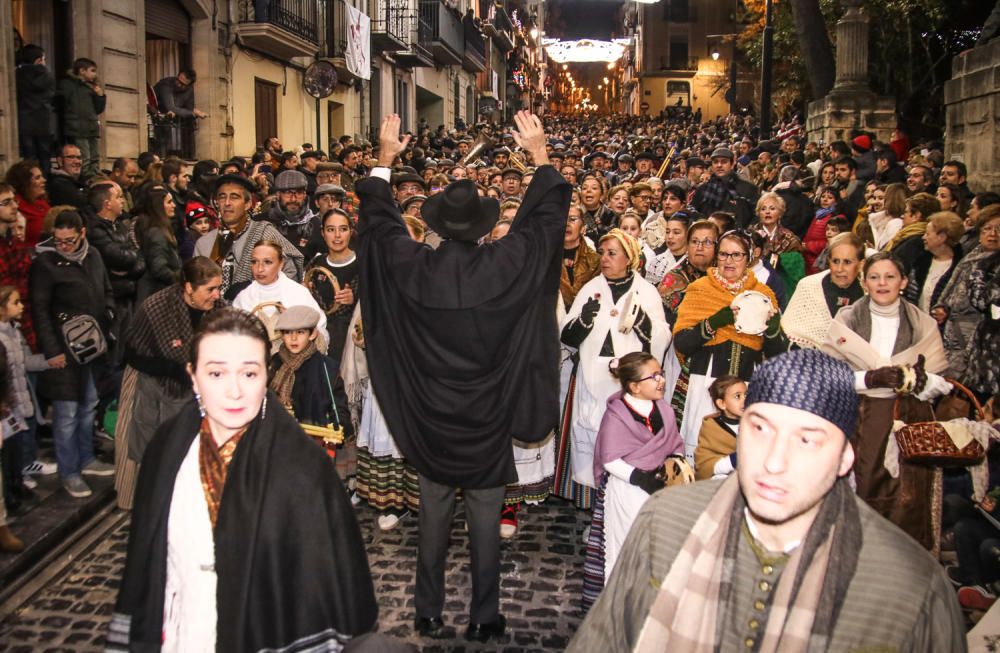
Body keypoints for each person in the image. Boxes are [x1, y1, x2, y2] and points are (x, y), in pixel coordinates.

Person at [568, 349, 966, 652]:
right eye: (760, 428)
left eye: (807, 438)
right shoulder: (666, 521)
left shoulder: (910, 586)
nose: (774, 461)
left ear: (847, 457)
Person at [357, 112, 571, 642]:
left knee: (431, 520)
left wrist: (384, 162)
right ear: (481, 227)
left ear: (434, 224)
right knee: (484, 527)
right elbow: (545, 230)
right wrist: (541, 157)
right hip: (487, 417)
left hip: (430, 419)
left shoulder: (414, 266)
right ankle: (483, 617)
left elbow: (381, 230)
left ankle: (426, 613)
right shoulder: (504, 263)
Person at [108, 308, 377, 651]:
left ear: (267, 374)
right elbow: (147, 569)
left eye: (249, 373)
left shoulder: (305, 471)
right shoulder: (166, 450)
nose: (234, 390)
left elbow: (321, 588)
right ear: (193, 376)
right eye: (216, 373)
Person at [824, 253, 953, 550]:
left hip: (907, 424)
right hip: (859, 420)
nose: (882, 283)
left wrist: (922, 382)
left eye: (890, 277)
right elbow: (829, 376)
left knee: (907, 500)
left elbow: (942, 382)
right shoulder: (846, 321)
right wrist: (869, 380)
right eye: (874, 277)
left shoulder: (923, 325)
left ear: (904, 282)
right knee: (863, 488)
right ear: (864, 282)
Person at [556, 229, 671, 509]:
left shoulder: (646, 292)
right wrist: (583, 321)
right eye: (603, 253)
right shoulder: (591, 288)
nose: (604, 259)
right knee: (588, 433)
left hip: (627, 381)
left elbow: (661, 337)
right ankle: (591, 503)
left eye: (612, 254)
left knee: (621, 441)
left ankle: (618, 501)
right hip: (590, 375)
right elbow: (566, 337)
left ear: (629, 258)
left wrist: (643, 323)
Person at [114, 257, 222, 510]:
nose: (217, 295)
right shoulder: (155, 308)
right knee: (150, 450)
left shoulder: (218, 308)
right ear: (188, 288)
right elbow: (133, 354)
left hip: (198, 391)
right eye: (210, 289)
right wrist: (177, 370)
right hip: (152, 382)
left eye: (218, 288)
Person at [673, 230, 786, 458]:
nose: (729, 261)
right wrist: (715, 322)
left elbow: (777, 355)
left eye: (736, 255)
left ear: (748, 258)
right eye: (724, 254)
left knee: (743, 456)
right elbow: (682, 343)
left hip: (747, 385)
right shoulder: (700, 289)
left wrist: (773, 329)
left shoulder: (763, 295)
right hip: (704, 384)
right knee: (701, 453)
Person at [583, 351, 682, 609]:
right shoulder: (617, 416)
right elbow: (610, 459)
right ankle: (617, 607)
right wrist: (641, 478)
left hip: (660, 491)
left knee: (654, 548)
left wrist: (672, 468)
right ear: (635, 386)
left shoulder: (666, 411)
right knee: (624, 547)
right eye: (654, 376)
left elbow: (675, 446)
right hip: (627, 490)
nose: (661, 380)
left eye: (662, 374)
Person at [29, 210, 115, 498]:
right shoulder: (46, 264)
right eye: (59, 240)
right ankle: (69, 471)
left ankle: (87, 457)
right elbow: (39, 310)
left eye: (69, 240)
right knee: (66, 412)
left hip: (92, 344)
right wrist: (51, 350)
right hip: (63, 348)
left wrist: (109, 315)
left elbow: (105, 289)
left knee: (89, 402)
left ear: (82, 235)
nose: (63, 246)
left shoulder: (93, 257)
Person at [193, 174, 303, 295]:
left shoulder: (265, 233)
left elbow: (289, 274)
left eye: (234, 197)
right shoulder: (204, 244)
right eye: (222, 197)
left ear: (248, 204)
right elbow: (196, 285)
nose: (227, 203)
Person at [269, 306, 352, 449]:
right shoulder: (273, 363)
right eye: (288, 333)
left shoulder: (326, 367)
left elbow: (338, 408)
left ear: (312, 334)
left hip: (312, 445)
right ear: (281, 335)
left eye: (300, 332)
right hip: (275, 441)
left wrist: (337, 427)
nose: (293, 338)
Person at [934, 204, 1000, 378]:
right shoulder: (972, 255)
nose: (993, 234)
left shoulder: (993, 265)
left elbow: (984, 301)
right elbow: (952, 285)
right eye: (987, 228)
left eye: (999, 229)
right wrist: (943, 306)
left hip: (976, 341)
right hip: (950, 333)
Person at [232, 240, 328, 351]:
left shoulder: (299, 294)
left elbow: (319, 329)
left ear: (281, 264)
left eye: (267, 262)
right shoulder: (244, 298)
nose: (260, 269)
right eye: (254, 262)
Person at [781, 232, 865, 350]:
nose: (840, 269)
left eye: (847, 262)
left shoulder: (868, 293)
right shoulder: (809, 286)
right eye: (835, 261)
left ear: (861, 265)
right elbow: (790, 333)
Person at [305, 209, 358, 363]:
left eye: (343, 229)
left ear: (350, 231)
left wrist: (356, 299)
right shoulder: (316, 263)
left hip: (350, 344)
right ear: (322, 232)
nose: (337, 236)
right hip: (318, 340)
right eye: (330, 229)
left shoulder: (363, 263)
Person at [904, 211, 964, 314]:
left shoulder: (961, 268)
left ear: (942, 237)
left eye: (927, 234)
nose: (923, 237)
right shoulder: (920, 263)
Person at [56, 57, 107, 180]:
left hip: (91, 127)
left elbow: (98, 109)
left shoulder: (92, 87)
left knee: (94, 156)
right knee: (85, 157)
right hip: (76, 128)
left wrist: (100, 95)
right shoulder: (67, 84)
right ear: (82, 71)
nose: (95, 74)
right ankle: (86, 179)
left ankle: (94, 176)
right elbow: (60, 103)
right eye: (92, 70)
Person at [694, 374, 746, 480]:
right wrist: (730, 462)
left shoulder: (753, 423)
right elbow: (703, 464)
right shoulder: (711, 427)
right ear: (722, 403)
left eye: (747, 394)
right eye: (738, 396)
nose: (745, 400)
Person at [135, 187, 182, 302]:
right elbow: (159, 269)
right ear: (159, 206)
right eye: (169, 202)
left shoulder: (160, 230)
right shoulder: (156, 233)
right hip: (158, 293)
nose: (174, 205)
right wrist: (180, 281)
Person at [15, 44, 55, 177]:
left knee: (29, 158)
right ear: (38, 60)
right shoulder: (46, 75)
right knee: (45, 157)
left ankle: (29, 184)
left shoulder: (17, 75)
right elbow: (51, 96)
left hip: (24, 120)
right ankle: (45, 186)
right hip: (42, 121)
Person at [5, 160, 50, 246]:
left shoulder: (41, 203)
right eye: (37, 178)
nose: (44, 180)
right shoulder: (16, 207)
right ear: (24, 183)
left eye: (42, 176)